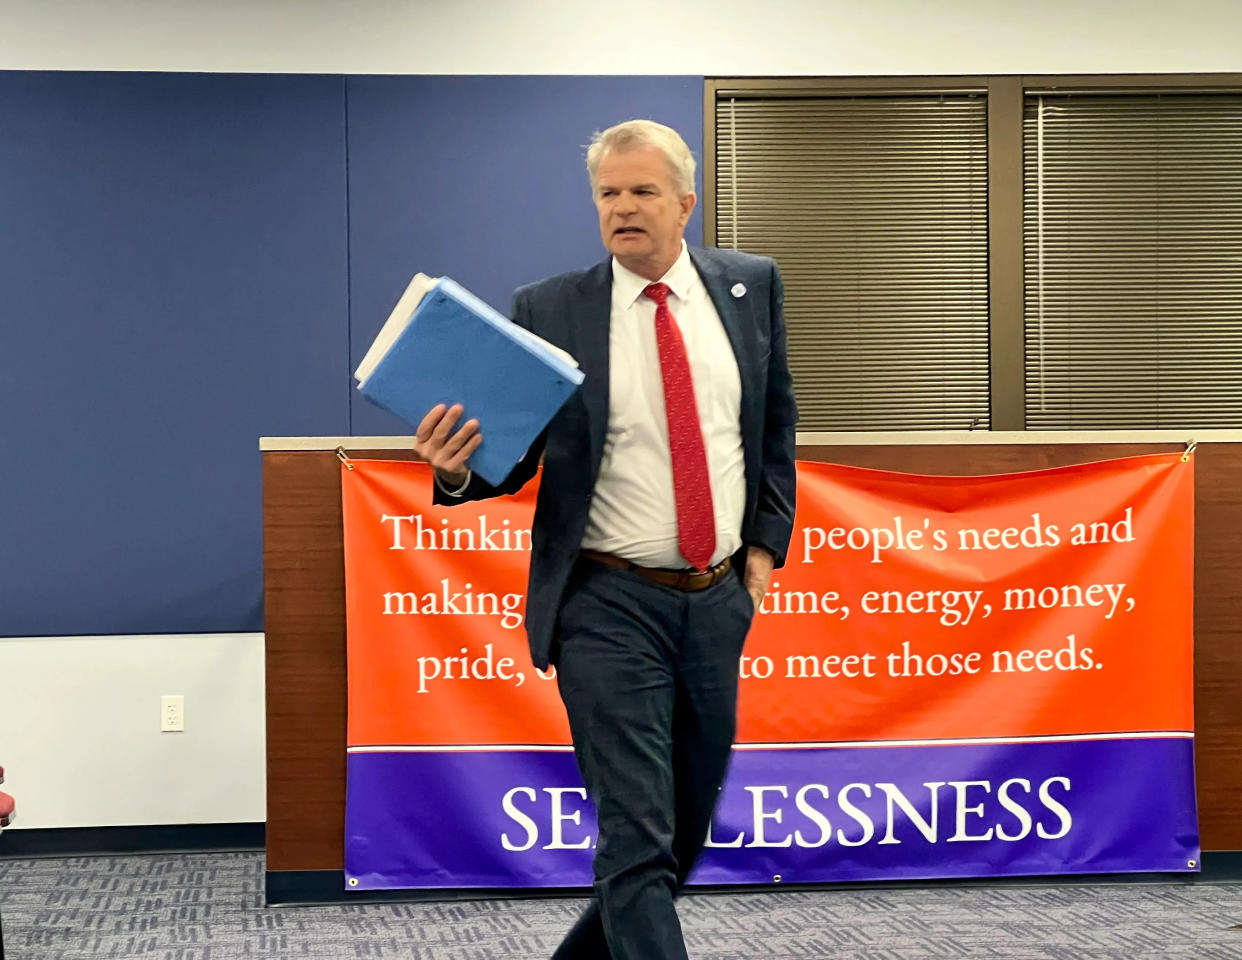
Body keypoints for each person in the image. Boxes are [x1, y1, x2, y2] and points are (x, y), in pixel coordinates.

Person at [413, 119, 797, 960]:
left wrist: (764, 549)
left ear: (685, 203)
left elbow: (772, 428)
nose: (622, 208)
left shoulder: (750, 287)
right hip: (603, 602)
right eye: (608, 194)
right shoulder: (549, 309)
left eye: (642, 191)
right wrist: (453, 471)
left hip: (716, 598)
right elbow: (507, 460)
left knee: (679, 835)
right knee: (636, 830)